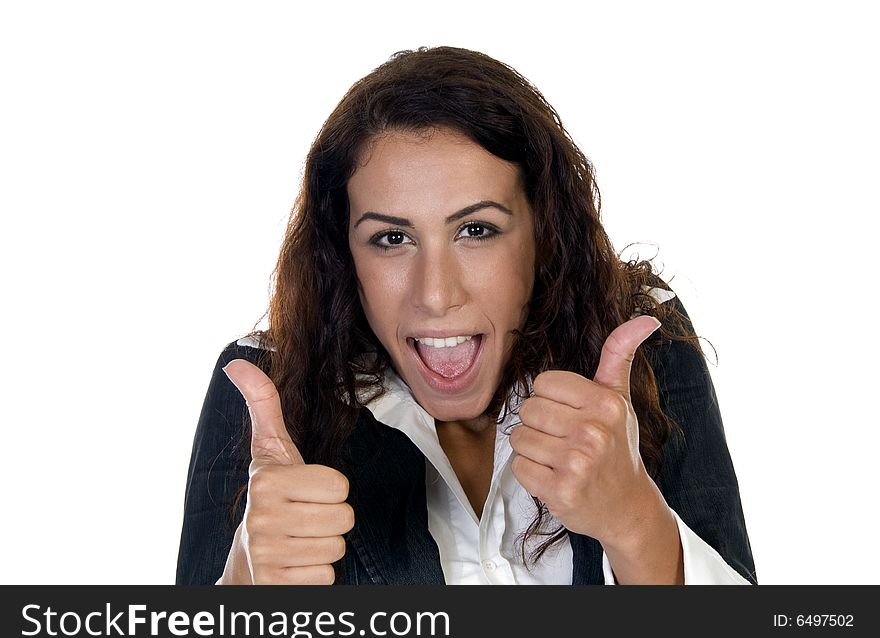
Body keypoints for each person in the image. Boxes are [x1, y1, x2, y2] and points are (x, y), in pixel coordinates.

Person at [176, 46, 757, 585]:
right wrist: (244, 585)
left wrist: (635, 524)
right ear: (342, 252)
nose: (435, 294)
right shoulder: (267, 389)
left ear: (543, 231)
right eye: (391, 237)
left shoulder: (639, 344)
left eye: (476, 230)